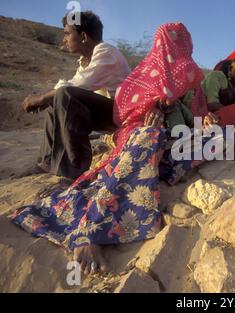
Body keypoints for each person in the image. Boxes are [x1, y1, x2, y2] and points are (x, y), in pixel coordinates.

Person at [11, 22, 204, 275]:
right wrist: (151, 109)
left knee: (208, 138)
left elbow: (191, 110)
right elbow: (126, 109)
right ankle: (91, 229)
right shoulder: (144, 73)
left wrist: (172, 111)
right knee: (145, 137)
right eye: (171, 41)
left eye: (179, 42)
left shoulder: (186, 72)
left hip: (173, 134)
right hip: (134, 132)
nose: (174, 48)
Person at [18, 11, 130, 181]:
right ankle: (46, 161)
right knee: (57, 99)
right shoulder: (86, 59)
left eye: (67, 34)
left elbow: (78, 86)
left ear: (83, 36)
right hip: (111, 114)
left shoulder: (106, 52)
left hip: (124, 116)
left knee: (65, 95)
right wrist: (48, 99)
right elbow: (73, 83)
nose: (64, 39)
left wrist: (41, 98)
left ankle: (74, 166)